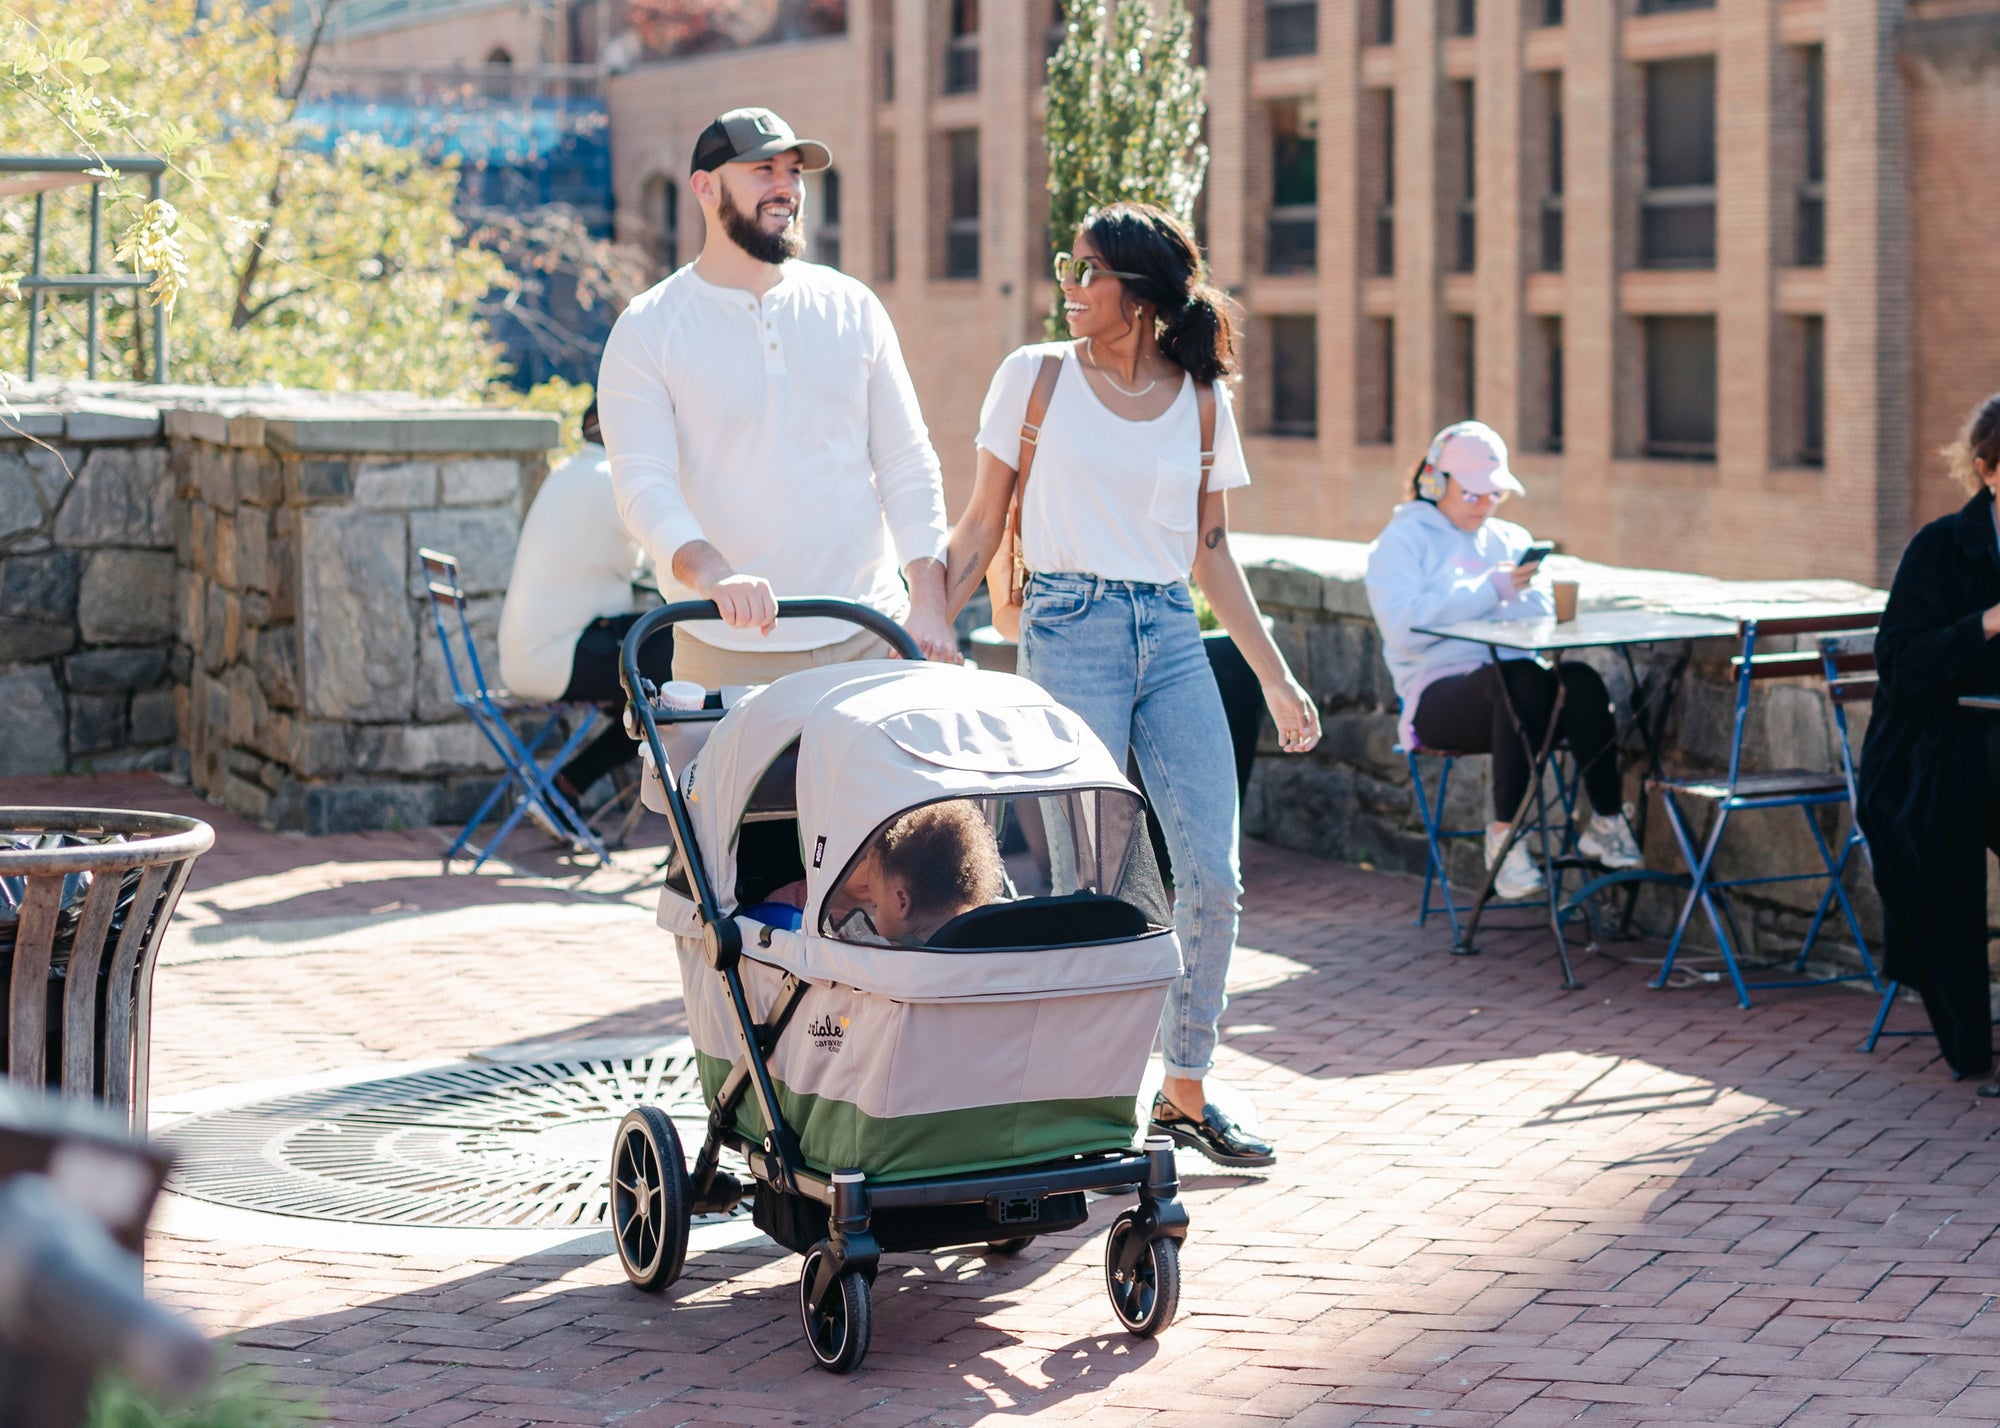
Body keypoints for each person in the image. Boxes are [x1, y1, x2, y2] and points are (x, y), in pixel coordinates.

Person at [941, 202, 1321, 1169]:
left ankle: (1184, 1089)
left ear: (1141, 294)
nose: (1067, 286)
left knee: (1214, 875)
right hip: (1071, 628)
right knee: (1092, 874)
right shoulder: (1033, 379)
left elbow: (1214, 551)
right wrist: (926, 616)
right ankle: (1083, 1100)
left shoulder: (1200, 400)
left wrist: (1276, 679)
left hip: (1173, 636)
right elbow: (982, 525)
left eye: (1087, 272)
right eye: (1065, 266)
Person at [595, 106, 959, 689]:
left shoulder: (853, 306)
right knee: (692, 787)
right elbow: (642, 487)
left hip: (872, 638)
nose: (786, 187)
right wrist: (716, 577)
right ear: (705, 187)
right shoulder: (648, 328)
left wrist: (929, 602)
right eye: (764, 170)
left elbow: (907, 462)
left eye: (794, 172)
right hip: (724, 648)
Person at [1364, 422, 1642, 902]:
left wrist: (1515, 598)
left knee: (1580, 681)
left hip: (1516, 685)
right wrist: (1491, 591)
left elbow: (1535, 618)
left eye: (1494, 494)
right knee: (1515, 683)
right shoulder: (1402, 540)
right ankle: (1504, 837)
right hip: (1438, 696)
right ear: (1436, 481)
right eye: (1473, 494)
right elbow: (1403, 627)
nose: (1485, 504)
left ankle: (1606, 821)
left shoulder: (1509, 538)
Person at [1857, 393, 2000, 1082]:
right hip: (1934, 749)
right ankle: (1971, 1040)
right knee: (1940, 846)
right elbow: (1900, 666)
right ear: (1988, 470)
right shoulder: (1941, 546)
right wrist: (1988, 624)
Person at [496, 401, 666, 823]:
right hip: (557, 656)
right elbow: (669, 556)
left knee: (657, 679)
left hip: (542, 651)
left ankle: (564, 790)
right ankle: (565, 791)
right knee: (670, 673)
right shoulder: (611, 482)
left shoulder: (571, 471)